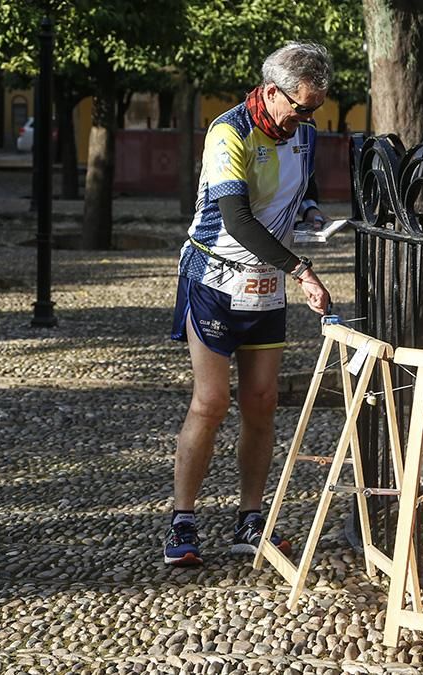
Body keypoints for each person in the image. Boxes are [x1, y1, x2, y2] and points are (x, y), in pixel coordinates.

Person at [164, 42, 333, 567]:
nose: (306, 118)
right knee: (211, 402)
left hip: (265, 284)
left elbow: (299, 191)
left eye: (315, 109)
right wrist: (302, 270)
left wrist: (310, 214)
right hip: (214, 278)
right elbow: (236, 218)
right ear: (271, 91)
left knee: (261, 402)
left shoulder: (303, 134)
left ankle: (250, 519)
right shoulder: (228, 132)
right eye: (300, 106)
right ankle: (182, 520)